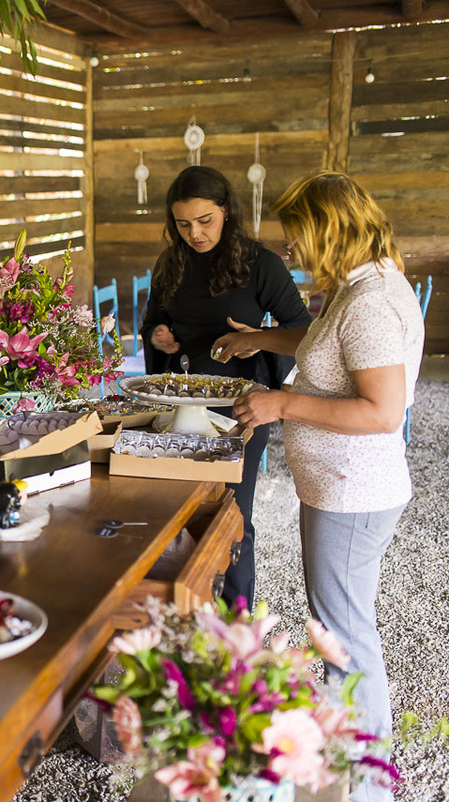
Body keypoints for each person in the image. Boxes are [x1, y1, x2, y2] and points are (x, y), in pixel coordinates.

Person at [214, 171, 423, 802]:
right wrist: (259, 340)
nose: (289, 247)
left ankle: (366, 784)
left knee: (344, 638)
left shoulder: (371, 303)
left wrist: (281, 404)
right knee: (340, 627)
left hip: (354, 493)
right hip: (340, 488)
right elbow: (320, 342)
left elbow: (382, 411)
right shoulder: (359, 285)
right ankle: (357, 769)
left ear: (329, 230)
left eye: (296, 234)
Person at [139, 166, 311, 608]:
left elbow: (302, 330)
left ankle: (236, 623)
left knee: (231, 515)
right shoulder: (170, 262)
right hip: (179, 404)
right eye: (182, 224)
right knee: (176, 512)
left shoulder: (261, 264)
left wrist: (258, 340)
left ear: (227, 212)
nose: (194, 234)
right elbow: (153, 320)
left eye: (205, 221)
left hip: (241, 408)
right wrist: (159, 335)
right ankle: (184, 615)